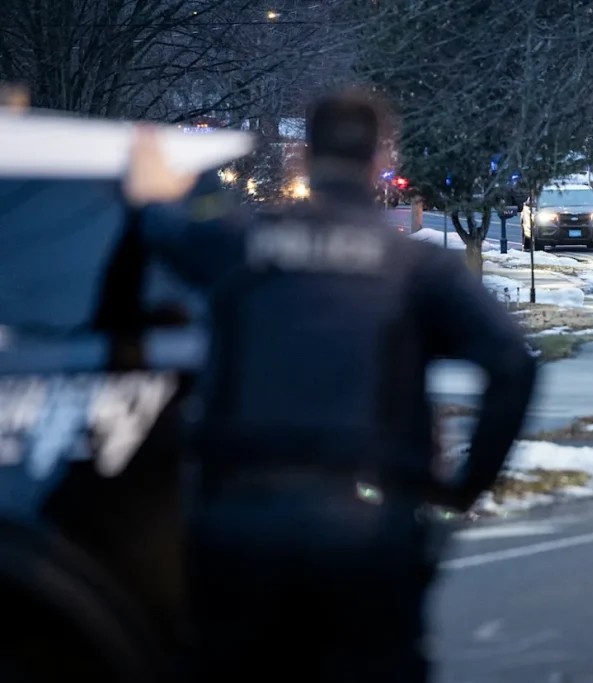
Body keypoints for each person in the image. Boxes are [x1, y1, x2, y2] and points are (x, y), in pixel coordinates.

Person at [122, 88, 538, 682]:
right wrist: (460, 492)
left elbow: (161, 225)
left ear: (301, 157)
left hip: (241, 526)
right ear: (380, 158)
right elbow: (512, 364)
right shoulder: (417, 269)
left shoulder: (241, 246)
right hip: (368, 528)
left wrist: (154, 180)